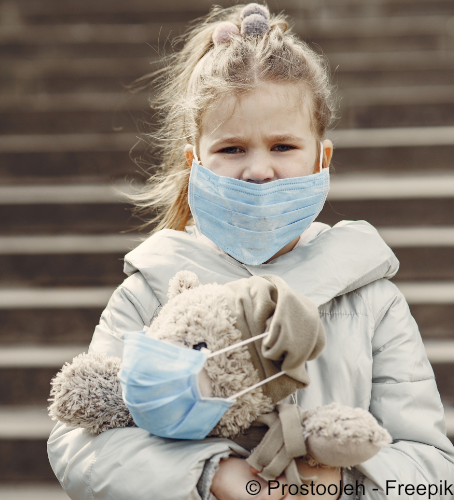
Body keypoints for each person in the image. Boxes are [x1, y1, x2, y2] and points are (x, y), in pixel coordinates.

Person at [47, 4, 454, 499]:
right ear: (194, 161)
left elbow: (432, 468)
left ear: (321, 159)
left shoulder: (372, 301)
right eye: (232, 149)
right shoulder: (151, 290)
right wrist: (214, 476)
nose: (259, 171)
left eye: (283, 147)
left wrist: (339, 484)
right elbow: (83, 445)